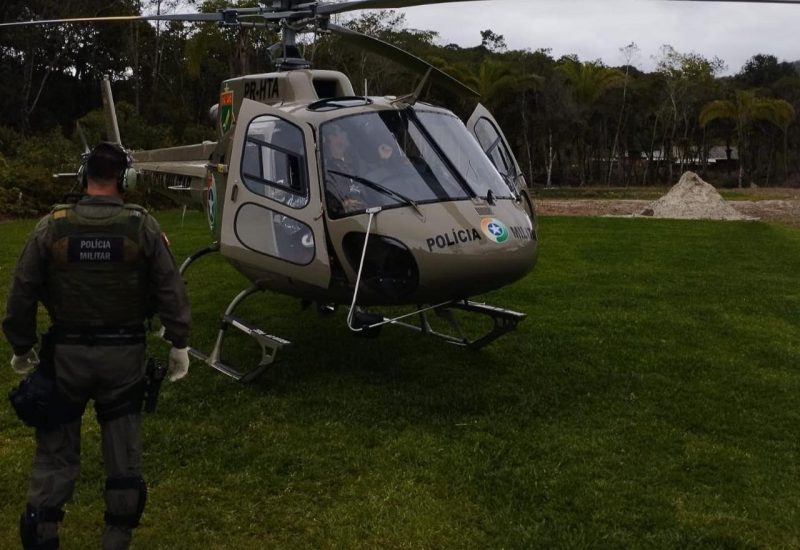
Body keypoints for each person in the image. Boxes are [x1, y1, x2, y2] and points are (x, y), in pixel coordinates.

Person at [3, 142, 191, 550]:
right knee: (123, 456)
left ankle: (42, 535)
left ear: (85, 176)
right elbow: (170, 289)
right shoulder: (142, 226)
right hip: (123, 359)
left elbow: (21, 292)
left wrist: (21, 345)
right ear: (126, 179)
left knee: (55, 457)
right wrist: (179, 341)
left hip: (65, 359)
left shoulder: (51, 225)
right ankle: (116, 538)